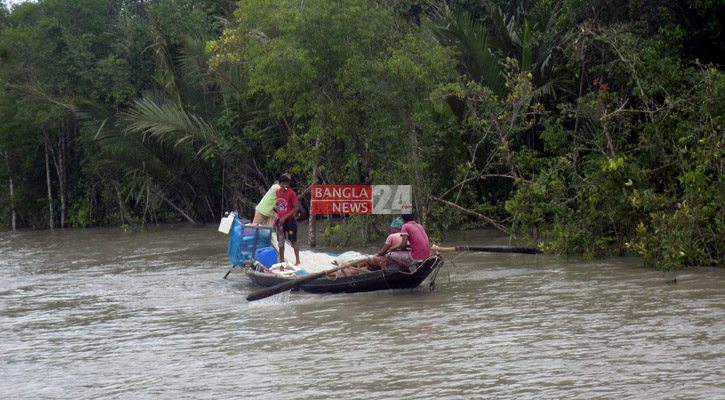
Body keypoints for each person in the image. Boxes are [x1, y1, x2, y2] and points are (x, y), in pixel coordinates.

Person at [275, 173, 301, 265]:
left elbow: (296, 208)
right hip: (280, 221)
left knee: (293, 239)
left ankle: (297, 260)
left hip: (290, 220)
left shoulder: (291, 193)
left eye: (286, 184)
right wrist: (279, 217)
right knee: (281, 241)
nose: (285, 186)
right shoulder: (277, 192)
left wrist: (285, 217)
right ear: (279, 184)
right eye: (283, 184)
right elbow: (279, 205)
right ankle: (282, 260)